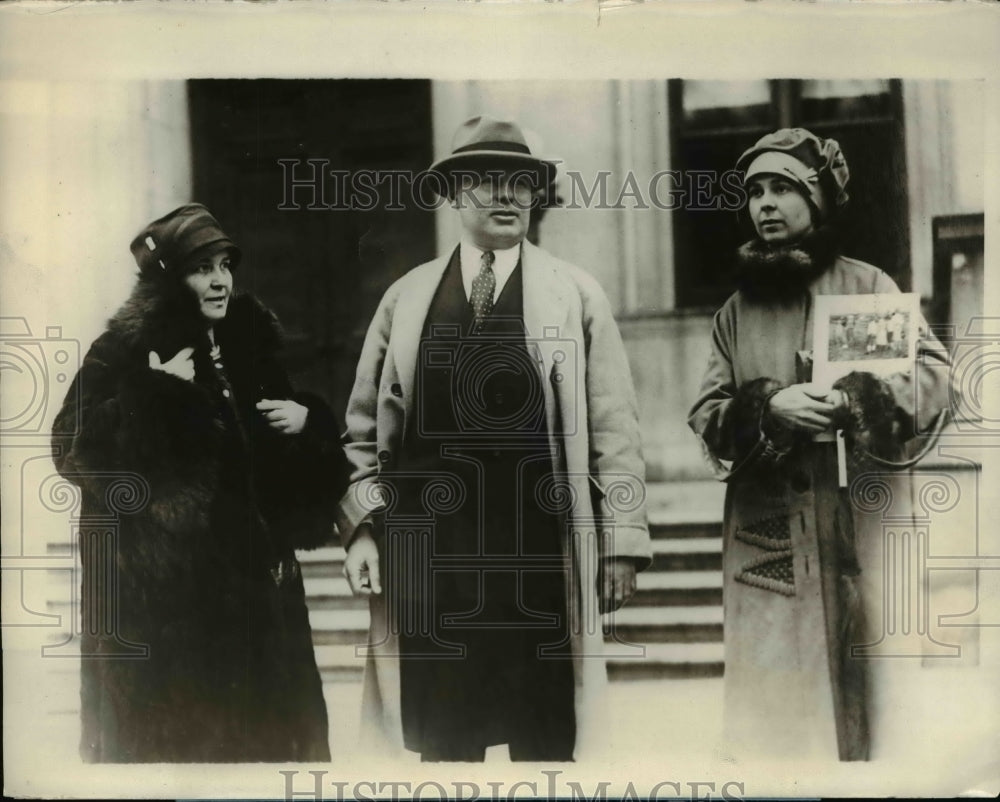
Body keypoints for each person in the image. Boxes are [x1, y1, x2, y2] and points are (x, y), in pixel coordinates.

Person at [337, 115, 651, 762]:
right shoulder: (407, 297)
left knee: (545, 734)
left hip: (536, 548)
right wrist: (363, 529)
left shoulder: (576, 295)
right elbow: (364, 433)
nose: (505, 197)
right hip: (431, 552)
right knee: (443, 735)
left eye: (519, 183)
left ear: (536, 196)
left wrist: (621, 543)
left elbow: (615, 430)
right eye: (484, 183)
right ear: (452, 194)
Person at [51, 204, 348, 762]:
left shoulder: (248, 347)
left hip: (260, 597)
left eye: (225, 265)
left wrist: (310, 422)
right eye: (201, 268)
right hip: (171, 609)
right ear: (167, 278)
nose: (219, 280)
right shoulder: (123, 349)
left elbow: (288, 479)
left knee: (267, 754)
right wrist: (152, 395)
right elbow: (69, 448)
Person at [687, 128, 950, 761]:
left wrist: (857, 395)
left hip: (864, 523)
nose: (765, 204)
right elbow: (705, 410)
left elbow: (936, 379)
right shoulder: (735, 312)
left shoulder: (870, 287)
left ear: (820, 199)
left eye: (783, 188)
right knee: (783, 727)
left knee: (878, 708)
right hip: (771, 537)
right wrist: (767, 406)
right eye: (755, 192)